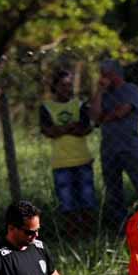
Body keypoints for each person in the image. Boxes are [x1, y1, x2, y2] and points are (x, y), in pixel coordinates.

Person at [88, 59, 138, 229]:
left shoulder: (130, 90)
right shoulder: (104, 94)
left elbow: (121, 112)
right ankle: (121, 227)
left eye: (104, 74)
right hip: (109, 149)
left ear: (113, 74)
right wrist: (99, 91)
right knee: (113, 190)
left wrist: (104, 117)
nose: (101, 78)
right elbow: (94, 116)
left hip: (129, 147)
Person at [39, 69, 96, 235]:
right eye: (63, 85)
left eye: (70, 85)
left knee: (87, 201)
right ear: (55, 87)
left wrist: (61, 129)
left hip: (83, 160)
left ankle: (89, 234)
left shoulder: (80, 105)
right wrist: (69, 127)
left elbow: (85, 129)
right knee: (67, 203)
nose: (67, 89)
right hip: (61, 163)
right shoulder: (46, 108)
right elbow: (48, 131)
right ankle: (72, 235)